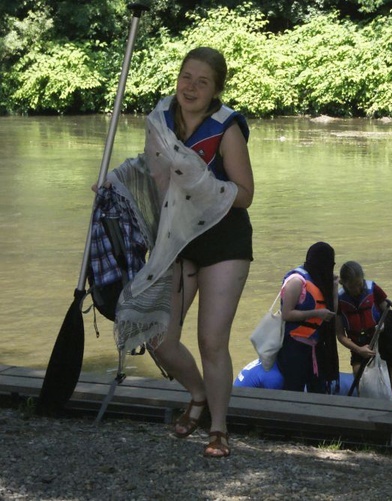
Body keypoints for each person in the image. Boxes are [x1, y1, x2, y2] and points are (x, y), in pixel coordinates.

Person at [104, 47, 254, 459]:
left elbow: (245, 195)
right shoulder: (160, 121)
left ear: (215, 91)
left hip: (225, 243)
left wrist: (204, 184)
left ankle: (219, 427)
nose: (190, 87)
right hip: (178, 241)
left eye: (202, 81)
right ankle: (198, 394)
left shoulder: (227, 130)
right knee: (159, 337)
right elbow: (149, 168)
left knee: (211, 340)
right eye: (186, 76)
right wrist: (116, 184)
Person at [276, 242, 340, 394]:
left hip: (316, 347)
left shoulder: (321, 279)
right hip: (294, 347)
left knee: (318, 391)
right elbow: (287, 314)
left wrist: (334, 287)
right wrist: (316, 314)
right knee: (293, 389)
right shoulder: (297, 281)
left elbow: (333, 313)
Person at [335, 261, 392, 388]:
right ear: (343, 283)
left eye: (359, 284)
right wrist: (358, 349)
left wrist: (383, 325)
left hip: (380, 342)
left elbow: (387, 312)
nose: (357, 290)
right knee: (360, 381)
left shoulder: (373, 288)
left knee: (388, 382)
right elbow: (340, 335)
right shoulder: (339, 300)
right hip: (357, 346)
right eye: (352, 287)